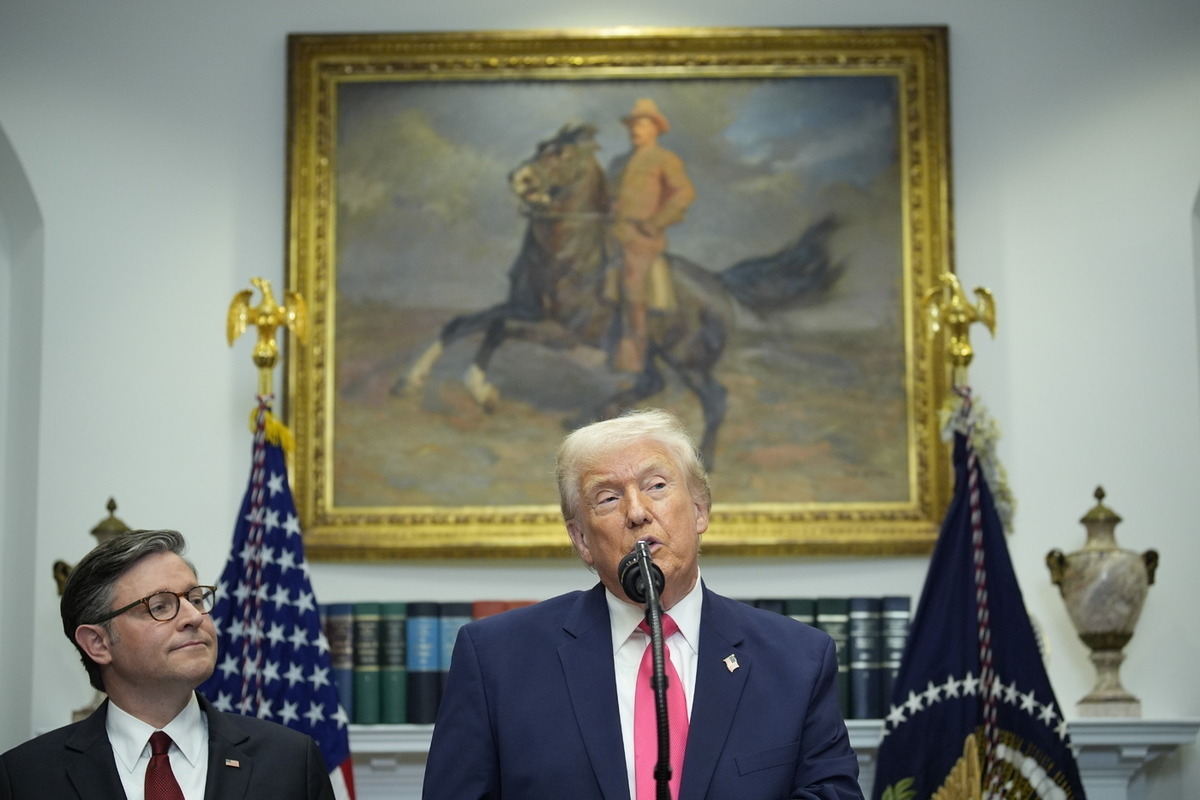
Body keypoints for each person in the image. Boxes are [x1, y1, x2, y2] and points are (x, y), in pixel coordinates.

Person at [422, 408, 863, 799]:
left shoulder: (797, 659)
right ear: (581, 539)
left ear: (700, 510)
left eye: (656, 485)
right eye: (608, 498)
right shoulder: (496, 659)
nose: (636, 512)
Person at [0, 529, 335, 800]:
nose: (194, 617)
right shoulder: (24, 777)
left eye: (196, 599)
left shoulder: (290, 760)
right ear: (98, 643)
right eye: (159, 606)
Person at [606, 98, 696, 373]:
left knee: (632, 286)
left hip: (641, 239)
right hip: (610, 234)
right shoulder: (617, 163)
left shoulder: (665, 159)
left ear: (656, 129)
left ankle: (634, 358)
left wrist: (656, 223)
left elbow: (684, 193)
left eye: (642, 125)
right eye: (633, 125)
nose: (635, 130)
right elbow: (606, 197)